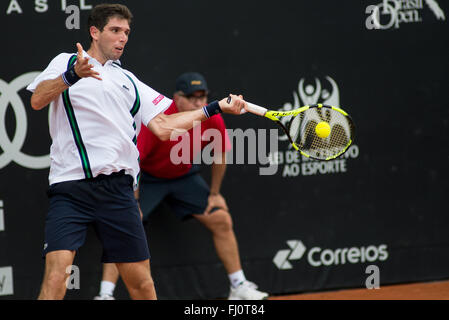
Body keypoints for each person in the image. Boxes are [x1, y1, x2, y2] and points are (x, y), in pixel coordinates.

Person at [26, 4, 246, 300]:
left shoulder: (128, 81)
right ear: (95, 32)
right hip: (70, 188)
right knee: (57, 276)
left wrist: (213, 108)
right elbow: (38, 100)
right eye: (115, 30)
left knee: (143, 285)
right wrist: (72, 75)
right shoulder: (66, 62)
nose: (122, 38)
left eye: (126, 32)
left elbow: (164, 126)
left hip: (118, 191)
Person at [94, 72, 268, 300]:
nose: (199, 102)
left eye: (203, 96)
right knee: (126, 226)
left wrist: (214, 194)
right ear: (177, 98)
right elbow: (133, 161)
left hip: (183, 177)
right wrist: (133, 201)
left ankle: (239, 286)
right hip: (149, 179)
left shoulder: (212, 115)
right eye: (192, 97)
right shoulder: (160, 118)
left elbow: (221, 153)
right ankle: (105, 295)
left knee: (221, 218)